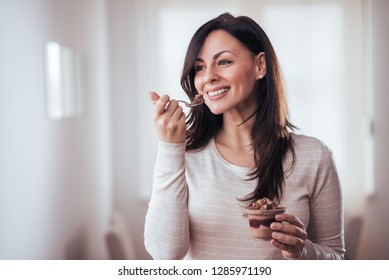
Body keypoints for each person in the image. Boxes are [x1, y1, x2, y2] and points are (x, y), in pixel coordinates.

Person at [144, 12, 345, 260]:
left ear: (260, 66)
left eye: (224, 62)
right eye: (199, 68)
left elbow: (337, 258)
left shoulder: (315, 156)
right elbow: (165, 255)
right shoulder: (183, 154)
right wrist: (169, 147)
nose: (208, 77)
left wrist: (304, 251)